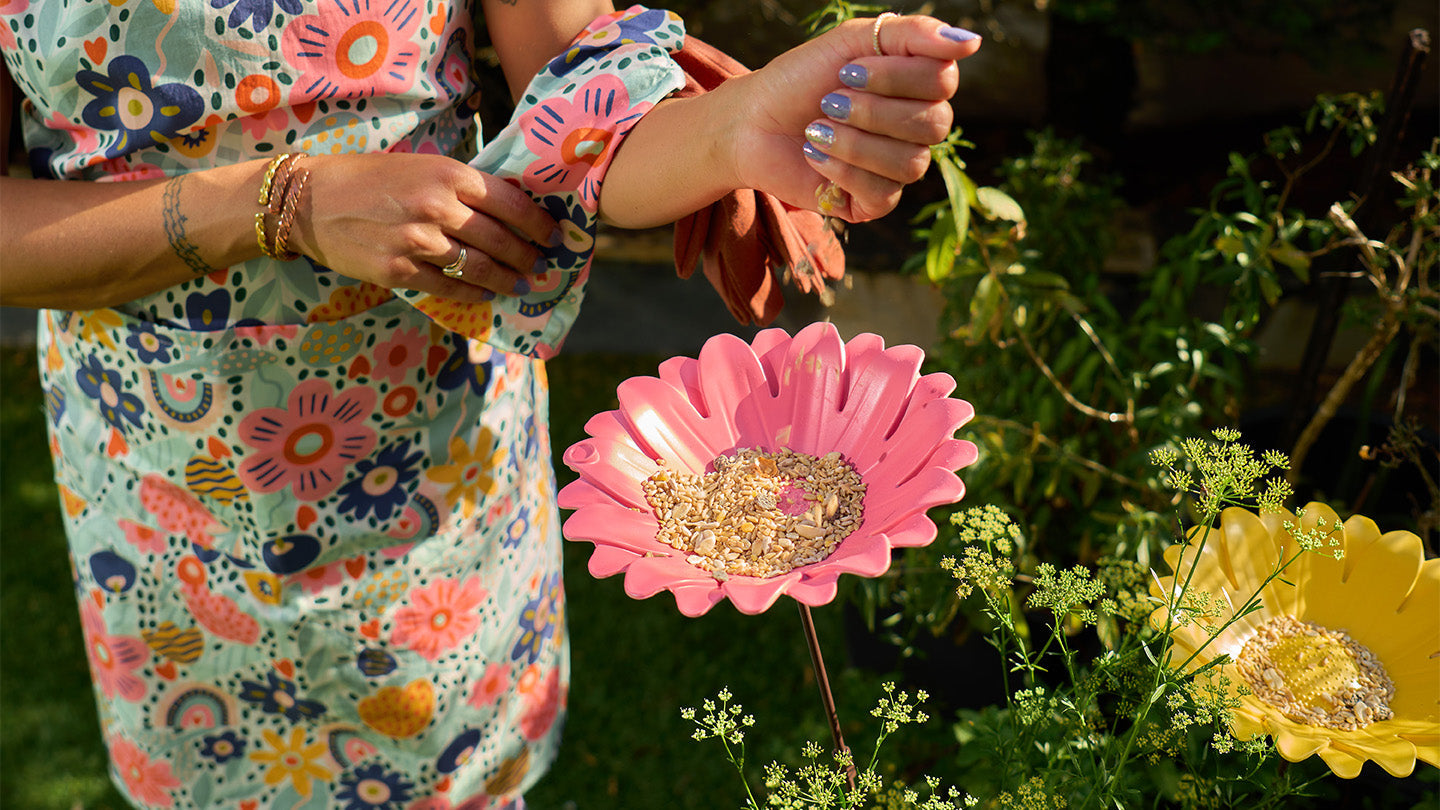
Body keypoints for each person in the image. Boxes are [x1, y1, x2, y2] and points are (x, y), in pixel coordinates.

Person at [0, 1, 981, 806]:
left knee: (458, 779)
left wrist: (733, 125)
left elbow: (579, 91)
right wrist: (286, 203)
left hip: (432, 468)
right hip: (163, 495)